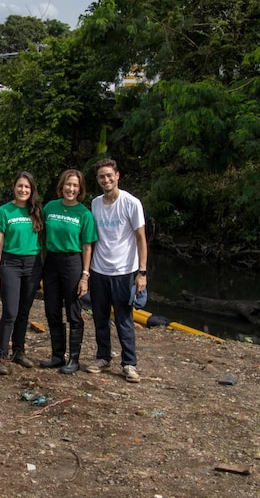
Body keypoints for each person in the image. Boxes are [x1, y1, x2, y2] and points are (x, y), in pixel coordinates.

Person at [86, 158, 147, 383]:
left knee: (124, 319)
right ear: (98, 179)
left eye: (109, 175)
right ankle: (103, 357)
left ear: (117, 175)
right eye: (101, 177)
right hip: (99, 270)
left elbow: (141, 239)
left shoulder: (131, 203)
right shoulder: (95, 204)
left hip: (123, 271)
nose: (106, 180)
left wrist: (142, 272)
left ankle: (129, 363)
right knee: (100, 317)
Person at [40, 169, 98, 375]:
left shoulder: (84, 214)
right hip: (51, 261)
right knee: (52, 309)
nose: (71, 189)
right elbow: (38, 229)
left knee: (73, 310)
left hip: (73, 262)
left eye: (75, 186)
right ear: (62, 186)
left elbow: (87, 247)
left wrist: (85, 276)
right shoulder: (50, 207)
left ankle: (74, 359)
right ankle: (57, 356)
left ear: (80, 189)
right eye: (68, 184)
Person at [0, 172, 44, 375]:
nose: (23, 190)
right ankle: (1, 356)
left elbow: (43, 241)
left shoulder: (36, 211)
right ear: (14, 187)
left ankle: (18, 351)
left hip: (32, 264)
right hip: (10, 263)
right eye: (20, 186)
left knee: (24, 311)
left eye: (27, 187)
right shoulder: (4, 211)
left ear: (32, 190)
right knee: (10, 312)